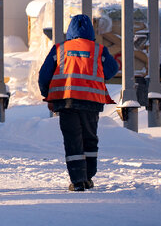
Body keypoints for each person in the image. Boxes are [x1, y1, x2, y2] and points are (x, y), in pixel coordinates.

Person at [38, 12, 119, 191]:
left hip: (66, 102)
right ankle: (88, 177)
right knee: (90, 138)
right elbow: (113, 69)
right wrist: (97, 75)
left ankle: (77, 180)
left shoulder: (60, 49)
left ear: (70, 31)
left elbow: (44, 75)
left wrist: (47, 94)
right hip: (92, 102)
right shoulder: (98, 50)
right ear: (91, 31)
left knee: (72, 139)